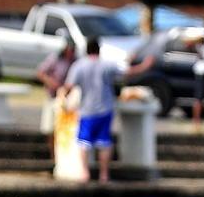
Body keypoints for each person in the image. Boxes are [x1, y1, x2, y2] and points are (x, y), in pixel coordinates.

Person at [62, 37, 154, 183]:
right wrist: (144, 66)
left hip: (87, 110)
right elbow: (127, 72)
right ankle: (104, 175)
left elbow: (68, 86)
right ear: (99, 50)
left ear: (86, 50)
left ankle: (84, 173)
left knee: (84, 143)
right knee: (104, 142)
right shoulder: (106, 64)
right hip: (105, 109)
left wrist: (63, 99)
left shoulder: (79, 66)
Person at [36, 37, 76, 160]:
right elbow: (40, 73)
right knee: (50, 128)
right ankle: (53, 155)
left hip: (67, 99)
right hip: (53, 96)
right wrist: (51, 82)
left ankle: (63, 155)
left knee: (66, 127)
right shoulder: (54, 59)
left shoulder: (75, 61)